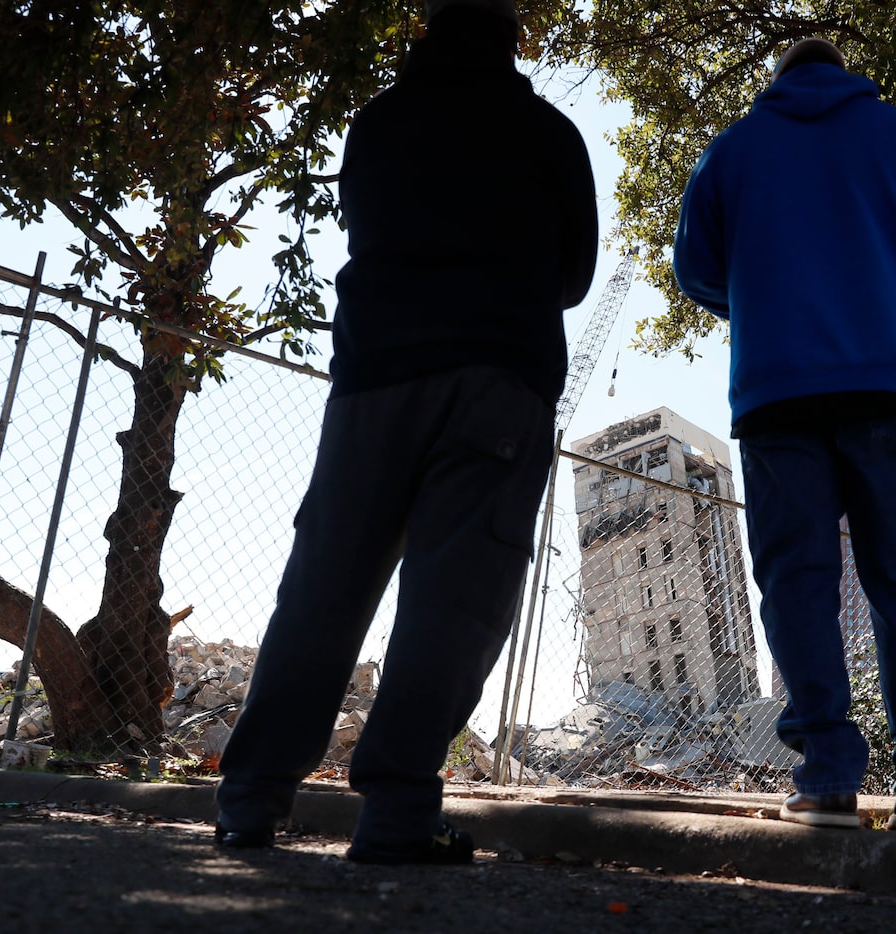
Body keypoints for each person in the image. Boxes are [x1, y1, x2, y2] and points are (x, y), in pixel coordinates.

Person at [214, 0, 598, 864]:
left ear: (426, 30)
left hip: (373, 377)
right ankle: (395, 813)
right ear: (511, 38)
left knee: (325, 583)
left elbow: (364, 225)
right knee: (454, 597)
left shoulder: (378, 124)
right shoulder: (551, 135)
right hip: (498, 376)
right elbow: (574, 278)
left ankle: (250, 799)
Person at [673, 38, 896, 835]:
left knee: (797, 584)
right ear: (848, 75)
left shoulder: (732, 150)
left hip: (778, 394)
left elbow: (696, 272)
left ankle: (825, 781)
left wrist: (765, 297)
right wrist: (886, 268)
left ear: (777, 81)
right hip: (884, 388)